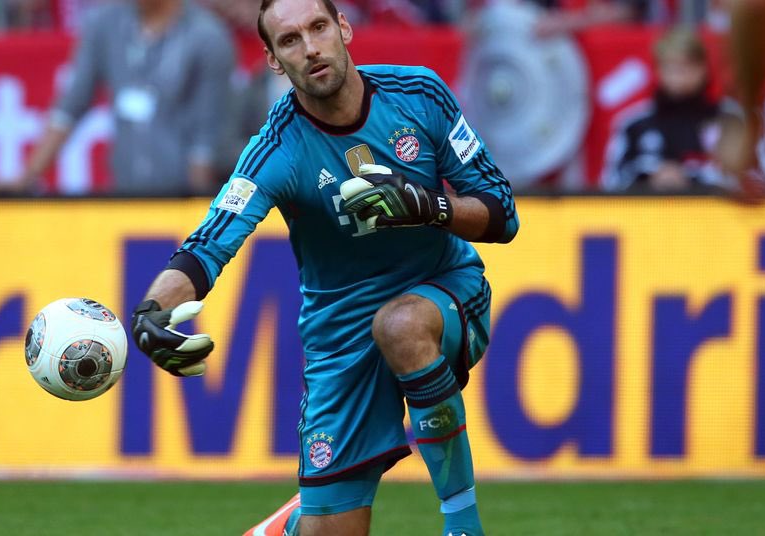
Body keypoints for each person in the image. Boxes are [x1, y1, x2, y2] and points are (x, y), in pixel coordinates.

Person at [129, 0, 518, 534]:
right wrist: (153, 309)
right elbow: (208, 243)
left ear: (344, 28)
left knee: (400, 324)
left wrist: (429, 205)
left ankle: (463, 525)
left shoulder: (420, 96)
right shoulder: (276, 150)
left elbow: (502, 213)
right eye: (289, 40)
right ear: (271, 59)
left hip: (444, 291)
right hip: (340, 341)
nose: (310, 48)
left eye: (317, 28)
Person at [0, 0, 235, 195]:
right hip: (123, 192)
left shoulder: (208, 36)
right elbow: (70, 106)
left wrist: (198, 219)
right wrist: (28, 177)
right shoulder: (104, 24)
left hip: (180, 193)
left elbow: (206, 137)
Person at [601, 27, 733, 192]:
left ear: (703, 69)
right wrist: (650, 177)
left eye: (685, 66)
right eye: (670, 67)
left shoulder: (731, 121)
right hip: (647, 215)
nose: (678, 76)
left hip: (714, 215)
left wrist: (690, 178)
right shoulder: (634, 124)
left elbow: (754, 180)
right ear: (658, 71)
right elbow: (610, 183)